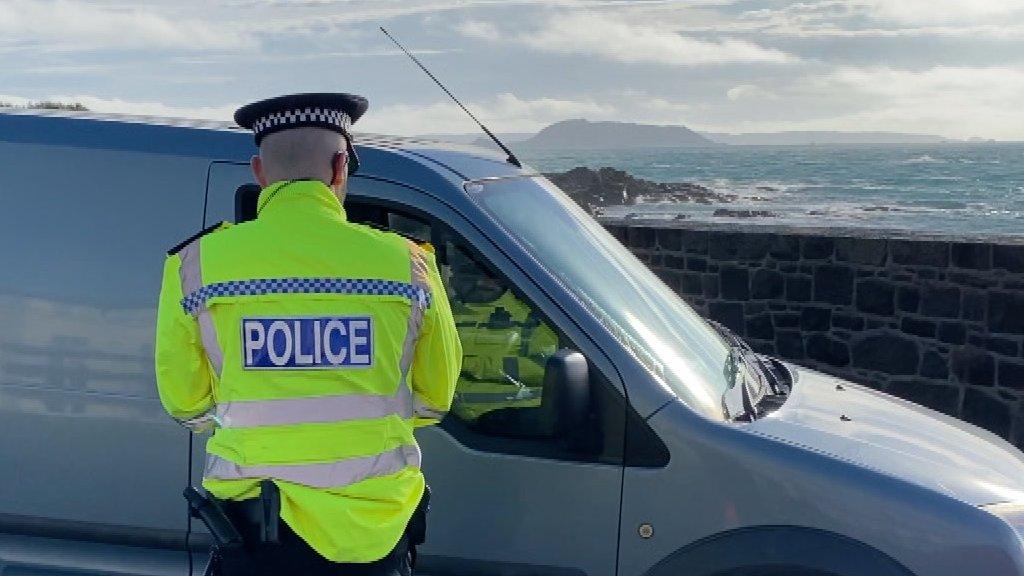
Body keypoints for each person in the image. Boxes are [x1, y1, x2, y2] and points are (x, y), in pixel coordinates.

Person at [154, 93, 462, 575]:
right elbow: (434, 398)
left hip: (254, 537)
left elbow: (185, 403)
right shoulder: (409, 264)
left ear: (259, 171)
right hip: (374, 535)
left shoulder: (196, 265)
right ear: (341, 167)